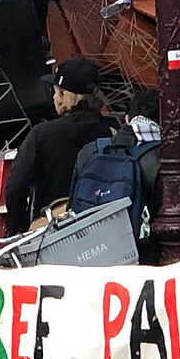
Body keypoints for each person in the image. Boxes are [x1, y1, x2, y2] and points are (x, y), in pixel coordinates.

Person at [5, 57, 114, 233]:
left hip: (52, 228)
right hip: (99, 226)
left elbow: (16, 189)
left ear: (65, 95)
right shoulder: (110, 133)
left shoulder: (41, 135)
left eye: (56, 91)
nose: (54, 97)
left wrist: (20, 232)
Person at [70, 88, 161, 263]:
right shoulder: (163, 158)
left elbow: (72, 209)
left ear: (128, 119)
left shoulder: (91, 151)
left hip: (89, 258)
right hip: (142, 263)